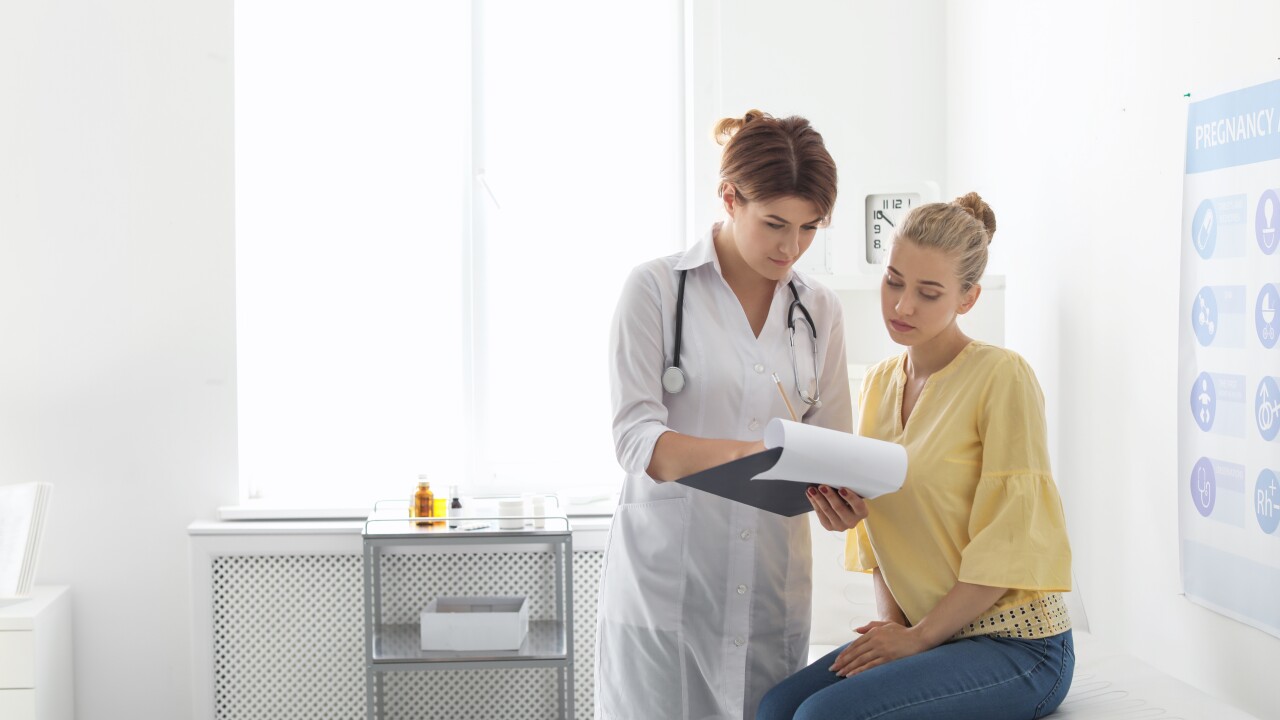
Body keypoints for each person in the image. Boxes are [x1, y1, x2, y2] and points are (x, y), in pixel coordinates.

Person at [757, 193, 1075, 720]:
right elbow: (882, 527)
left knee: (822, 716)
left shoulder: (1002, 377)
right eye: (894, 281)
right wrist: (895, 628)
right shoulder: (879, 384)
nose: (902, 306)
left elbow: (1010, 542)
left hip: (1019, 648)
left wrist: (919, 639)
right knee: (775, 707)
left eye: (929, 293)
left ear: (968, 298)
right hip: (931, 635)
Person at [598, 110, 866, 720]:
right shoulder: (657, 290)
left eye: (808, 228)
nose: (790, 247)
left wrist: (839, 503)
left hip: (771, 585)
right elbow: (637, 438)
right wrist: (750, 458)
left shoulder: (818, 308)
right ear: (729, 198)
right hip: (669, 584)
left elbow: (829, 442)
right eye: (774, 223)